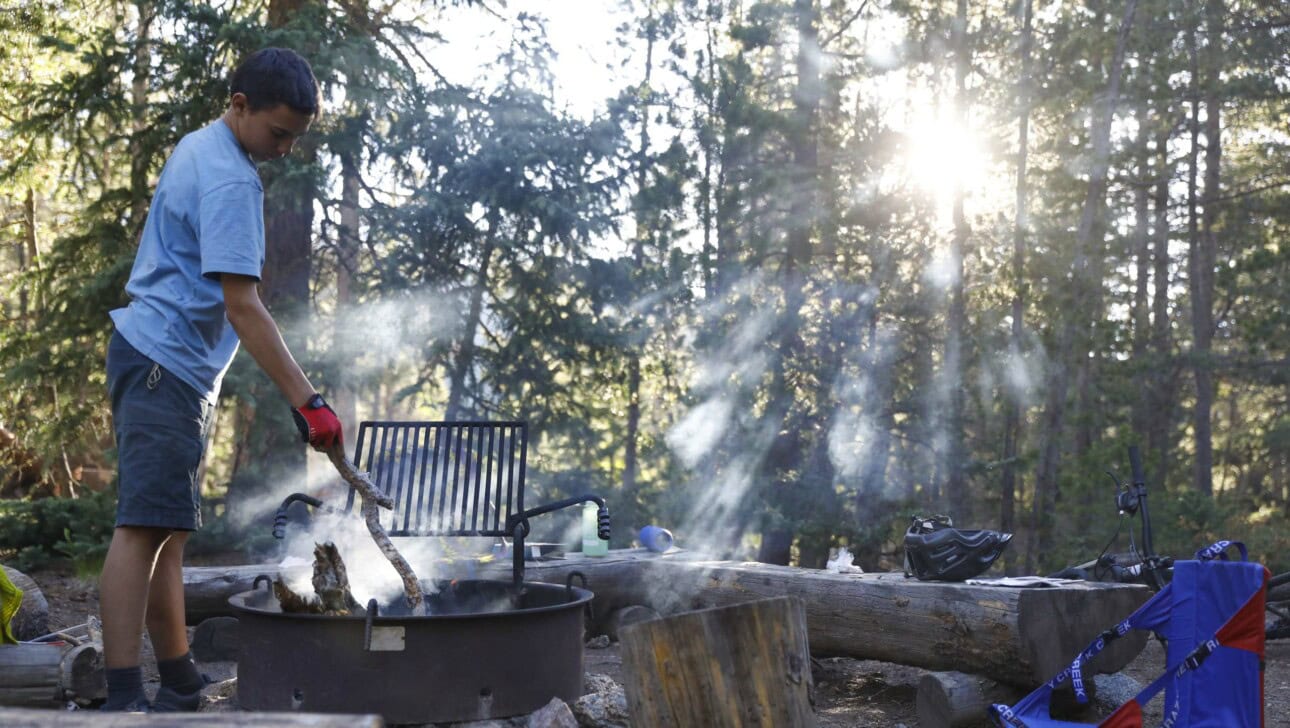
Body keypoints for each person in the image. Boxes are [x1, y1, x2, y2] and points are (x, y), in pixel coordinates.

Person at [99, 47, 343, 712]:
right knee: (143, 528)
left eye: (297, 136)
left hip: (162, 361)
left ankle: (176, 675)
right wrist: (308, 400)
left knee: (167, 529)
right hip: (163, 362)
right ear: (240, 105)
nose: (287, 149)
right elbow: (243, 304)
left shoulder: (201, 144)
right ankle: (122, 692)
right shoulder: (232, 180)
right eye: (279, 133)